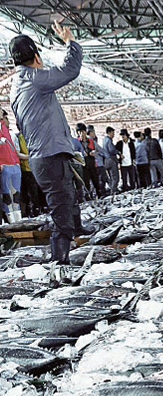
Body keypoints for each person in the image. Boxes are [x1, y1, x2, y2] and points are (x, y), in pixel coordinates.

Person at [10, 22, 85, 264]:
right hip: (49, 155)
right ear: (36, 56)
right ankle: (59, 263)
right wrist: (70, 42)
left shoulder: (16, 87)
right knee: (61, 208)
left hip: (43, 155)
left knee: (67, 196)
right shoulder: (34, 78)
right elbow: (69, 70)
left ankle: (77, 232)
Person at [15, 125, 44, 216]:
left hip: (37, 167)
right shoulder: (19, 137)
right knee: (32, 192)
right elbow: (20, 152)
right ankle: (33, 210)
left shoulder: (32, 135)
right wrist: (29, 157)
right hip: (27, 169)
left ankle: (41, 208)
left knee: (40, 189)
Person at [0, 108, 23, 223]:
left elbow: (13, 150)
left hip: (14, 164)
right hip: (4, 165)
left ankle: (18, 222)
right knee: (7, 196)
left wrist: (18, 162)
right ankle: (12, 223)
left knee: (16, 196)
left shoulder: (6, 131)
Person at [87, 125, 107, 196]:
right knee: (101, 180)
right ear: (91, 132)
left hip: (93, 165)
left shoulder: (87, 141)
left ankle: (95, 194)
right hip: (98, 164)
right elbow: (102, 151)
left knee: (95, 181)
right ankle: (102, 194)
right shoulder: (91, 141)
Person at [102, 126, 120, 194]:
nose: (113, 135)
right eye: (113, 133)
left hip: (106, 160)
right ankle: (114, 190)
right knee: (115, 177)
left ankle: (112, 189)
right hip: (111, 160)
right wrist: (118, 152)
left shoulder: (104, 140)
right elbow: (112, 150)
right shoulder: (109, 140)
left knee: (111, 176)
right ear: (109, 132)